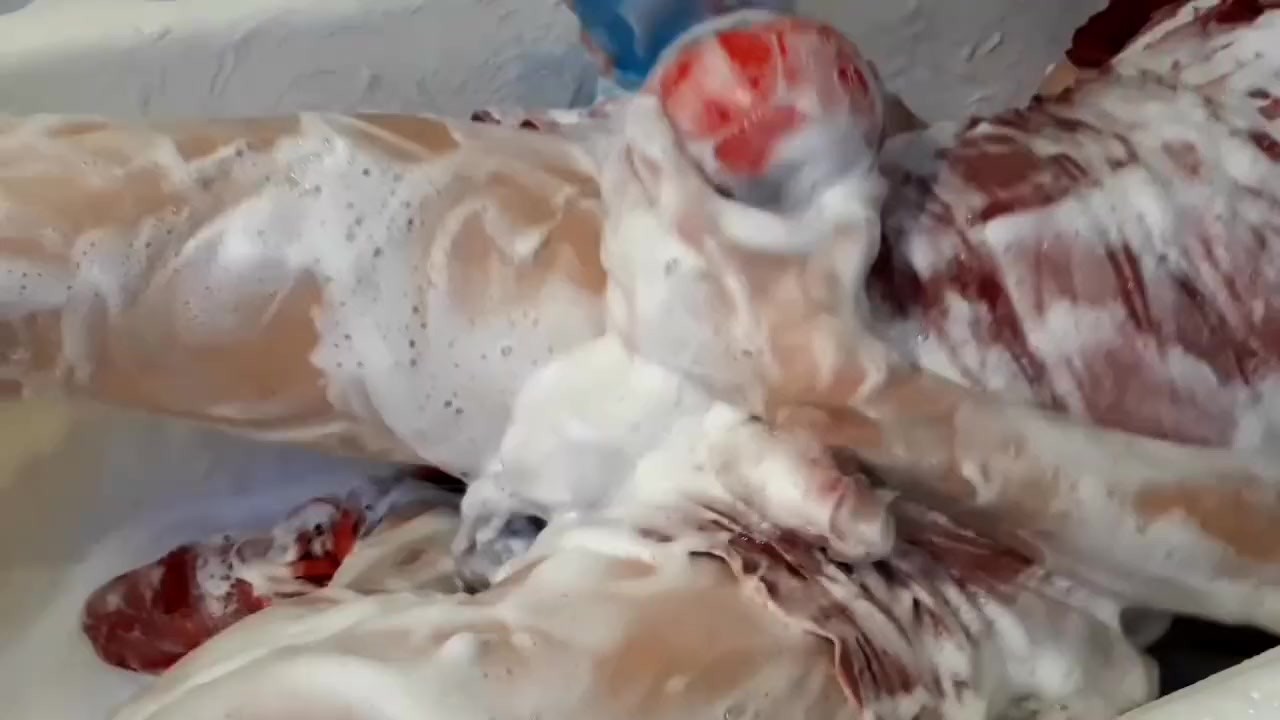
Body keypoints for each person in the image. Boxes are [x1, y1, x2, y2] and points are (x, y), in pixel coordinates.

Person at [4, 0, 1280, 648]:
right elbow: (1035, 128)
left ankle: (456, 546)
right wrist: (797, 164)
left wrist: (896, 414)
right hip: (848, 263)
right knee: (95, 230)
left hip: (986, 554)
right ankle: (475, 525)